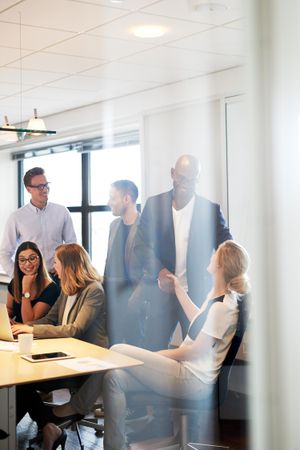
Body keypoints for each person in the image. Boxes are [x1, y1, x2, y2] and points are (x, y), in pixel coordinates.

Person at [101, 240, 250, 450]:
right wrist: (178, 288)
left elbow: (194, 351)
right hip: (184, 373)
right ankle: (114, 447)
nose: (212, 254)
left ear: (221, 265)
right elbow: (196, 320)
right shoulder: (216, 300)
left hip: (193, 379)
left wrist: (158, 355)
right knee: (113, 378)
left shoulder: (224, 307)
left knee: (116, 350)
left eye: (216, 254)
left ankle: (79, 403)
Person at [12, 243, 107, 450]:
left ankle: (11, 431)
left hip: (84, 364)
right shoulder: (68, 289)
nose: (54, 268)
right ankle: (46, 427)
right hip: (64, 356)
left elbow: (75, 329)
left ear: (69, 265)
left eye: (56, 263)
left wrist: (31, 331)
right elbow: (50, 319)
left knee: (25, 383)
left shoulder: (94, 291)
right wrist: (22, 327)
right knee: (21, 381)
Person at [133, 154, 233, 350]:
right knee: (153, 349)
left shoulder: (210, 210)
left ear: (198, 179)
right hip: (161, 293)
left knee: (198, 351)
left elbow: (228, 244)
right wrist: (160, 271)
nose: (185, 183)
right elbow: (141, 245)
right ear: (173, 174)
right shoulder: (154, 205)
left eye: (192, 179)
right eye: (181, 177)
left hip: (195, 295)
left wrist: (221, 274)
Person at [0, 167, 77, 279]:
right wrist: (18, 277)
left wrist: (65, 267)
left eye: (46, 185)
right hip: (31, 278)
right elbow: (4, 254)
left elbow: (72, 245)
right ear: (28, 189)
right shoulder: (16, 217)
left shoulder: (62, 212)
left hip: (59, 277)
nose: (45, 189)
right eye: (40, 186)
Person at [104, 180, 143, 346]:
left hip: (134, 300)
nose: (109, 202)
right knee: (112, 347)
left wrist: (136, 298)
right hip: (112, 298)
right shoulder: (114, 225)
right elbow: (110, 260)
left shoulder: (145, 227)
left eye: (112, 198)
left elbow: (150, 270)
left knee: (136, 349)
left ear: (127, 199)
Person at [6, 241, 59, 323]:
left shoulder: (51, 288)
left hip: (37, 334)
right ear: (17, 262)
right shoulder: (14, 283)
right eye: (22, 260)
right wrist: (6, 319)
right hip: (17, 332)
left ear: (40, 259)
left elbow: (29, 321)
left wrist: (26, 288)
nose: (27, 264)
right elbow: (10, 309)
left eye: (32, 258)